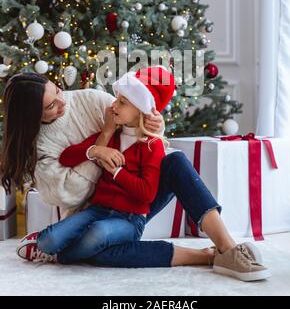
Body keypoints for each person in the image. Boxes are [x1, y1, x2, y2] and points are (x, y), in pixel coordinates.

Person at [1, 72, 270, 281]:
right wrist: (100, 149)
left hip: (133, 207)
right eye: (50, 106)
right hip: (92, 209)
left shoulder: (92, 101)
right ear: (33, 116)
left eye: (58, 90)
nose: (63, 101)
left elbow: (137, 117)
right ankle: (205, 257)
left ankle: (228, 248)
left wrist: (154, 125)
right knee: (97, 250)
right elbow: (67, 192)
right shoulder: (37, 144)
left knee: (174, 159)